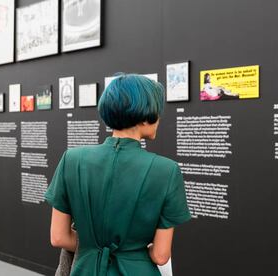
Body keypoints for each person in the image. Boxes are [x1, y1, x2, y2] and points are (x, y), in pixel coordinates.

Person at [45, 74, 191, 276]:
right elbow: (160, 255)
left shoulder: (72, 159)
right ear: (144, 113)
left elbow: (59, 238)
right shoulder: (167, 170)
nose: (159, 117)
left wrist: (93, 248)